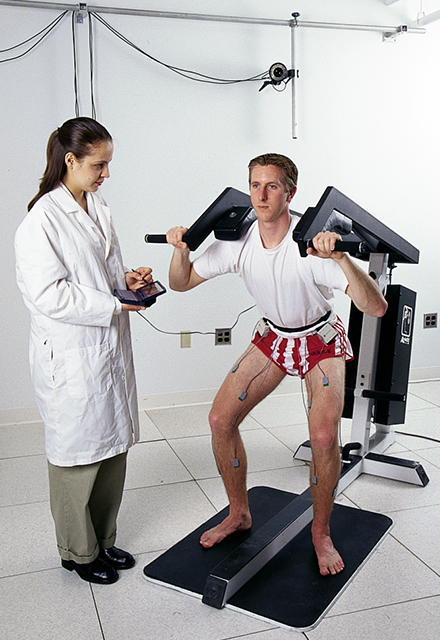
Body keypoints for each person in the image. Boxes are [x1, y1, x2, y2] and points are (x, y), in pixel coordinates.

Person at [166, 153, 388, 576]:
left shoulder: (311, 240)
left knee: (323, 438)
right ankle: (238, 513)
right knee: (219, 419)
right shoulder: (240, 238)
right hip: (273, 337)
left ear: (291, 191)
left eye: (271, 186)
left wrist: (341, 257)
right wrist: (181, 250)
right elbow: (181, 282)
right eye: (254, 185)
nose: (261, 195)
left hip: (319, 340)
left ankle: (321, 533)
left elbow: (375, 307)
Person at [15, 117, 152, 585]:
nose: (105, 174)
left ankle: (102, 542)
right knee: (78, 458)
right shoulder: (41, 222)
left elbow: (107, 272)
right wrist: (113, 303)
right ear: (69, 160)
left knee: (113, 450)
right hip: (72, 354)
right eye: (99, 164)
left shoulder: (99, 207)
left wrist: (128, 283)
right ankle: (77, 552)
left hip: (106, 347)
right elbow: (48, 295)